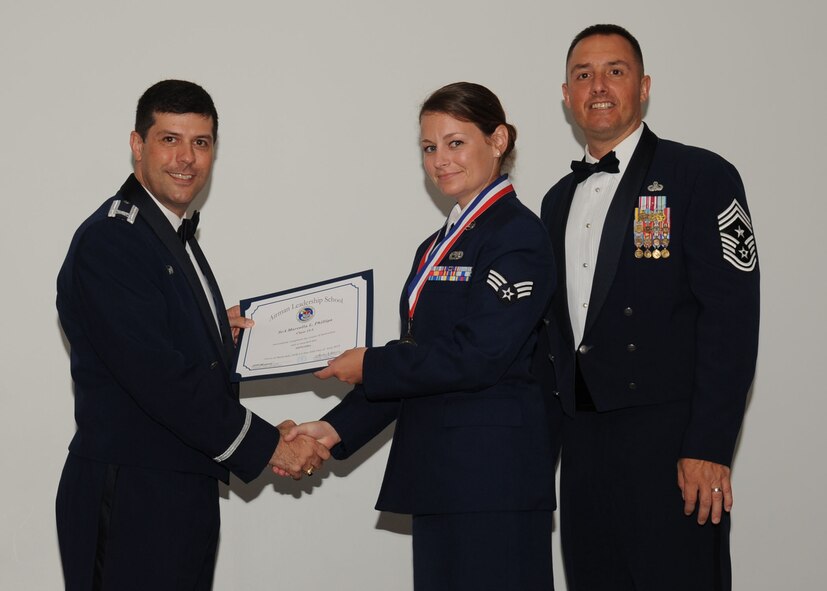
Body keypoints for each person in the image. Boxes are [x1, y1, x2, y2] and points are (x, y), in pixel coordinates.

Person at [283, 82, 560, 590]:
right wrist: (337, 428)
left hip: (493, 481)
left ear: (497, 140)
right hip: (441, 477)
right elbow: (418, 360)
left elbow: (477, 357)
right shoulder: (434, 246)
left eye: (456, 143)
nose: (440, 160)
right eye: (429, 148)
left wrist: (369, 365)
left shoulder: (518, 235)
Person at [55, 79, 329, 590]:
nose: (186, 158)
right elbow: (162, 380)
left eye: (200, 143)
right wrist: (271, 446)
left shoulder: (165, 234)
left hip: (179, 487)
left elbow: (154, 336)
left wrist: (208, 329)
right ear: (138, 145)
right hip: (132, 493)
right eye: (169, 139)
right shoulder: (114, 239)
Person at [535, 24, 760, 591]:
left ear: (644, 86)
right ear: (566, 95)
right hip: (584, 447)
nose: (599, 86)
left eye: (616, 71)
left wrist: (709, 446)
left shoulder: (701, 176)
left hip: (672, 445)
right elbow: (554, 338)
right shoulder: (555, 201)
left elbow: (731, 321)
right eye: (583, 75)